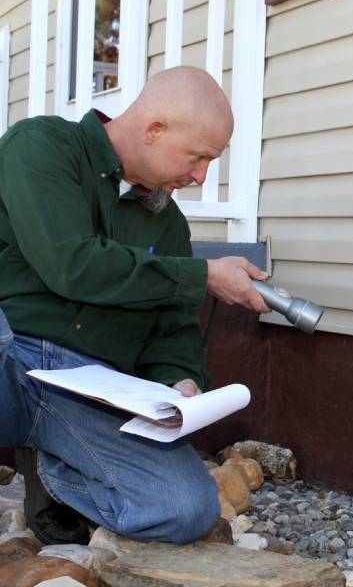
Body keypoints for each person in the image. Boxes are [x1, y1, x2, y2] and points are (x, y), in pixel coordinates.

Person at [0, 66, 270, 545]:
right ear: (154, 130)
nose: (202, 174)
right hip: (9, 354)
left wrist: (179, 380)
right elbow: (72, 263)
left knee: (186, 509)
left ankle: (56, 472)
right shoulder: (41, 146)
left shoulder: (168, 224)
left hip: (83, 388)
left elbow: (173, 329)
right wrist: (203, 275)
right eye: (199, 157)